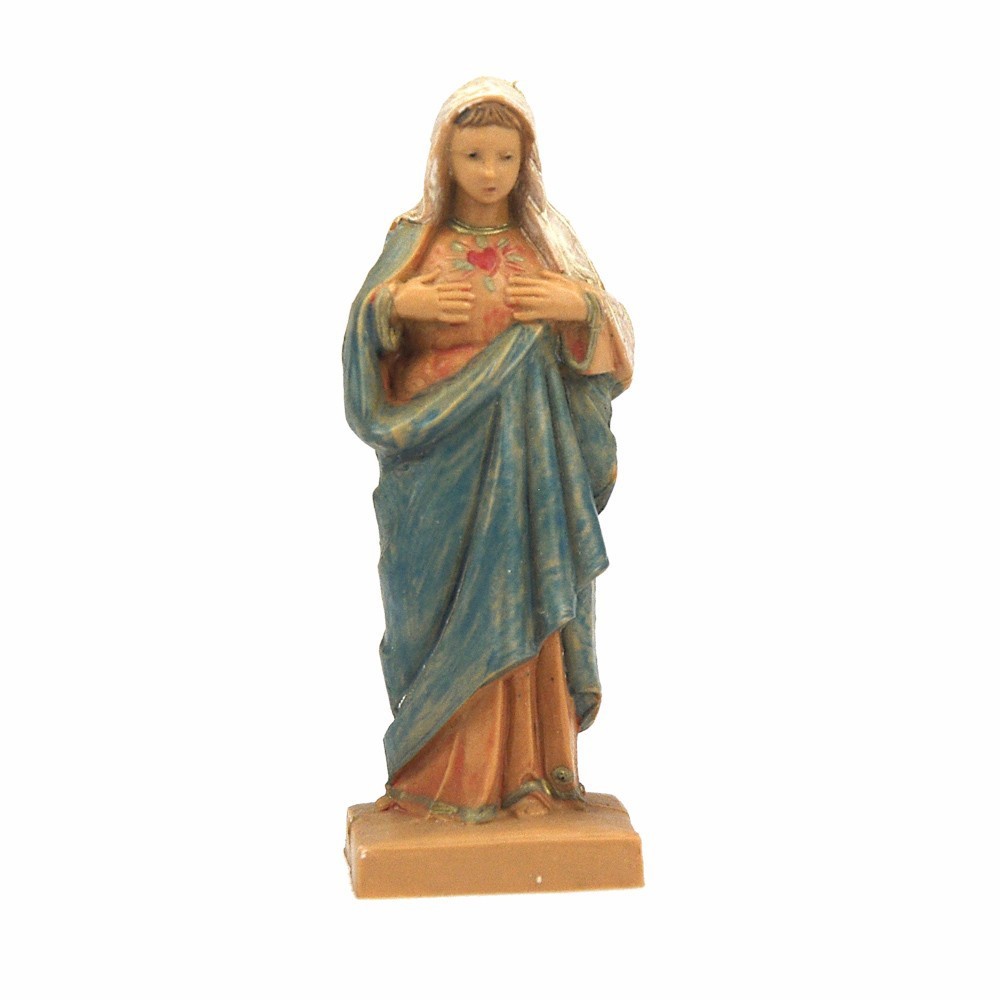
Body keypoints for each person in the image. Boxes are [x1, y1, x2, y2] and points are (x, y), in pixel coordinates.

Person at [344, 78, 634, 822]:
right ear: (445, 158)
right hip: (434, 463)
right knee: (430, 614)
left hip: (530, 465)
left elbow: (612, 341)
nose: (489, 172)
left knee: (522, 597)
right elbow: (361, 337)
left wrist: (579, 310)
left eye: (505, 156)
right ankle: (433, 779)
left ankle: (528, 776)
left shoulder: (545, 244)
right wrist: (395, 305)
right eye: (472, 155)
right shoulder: (415, 241)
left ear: (524, 160)